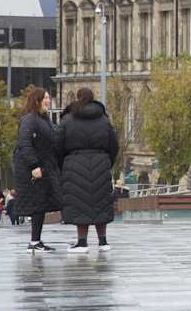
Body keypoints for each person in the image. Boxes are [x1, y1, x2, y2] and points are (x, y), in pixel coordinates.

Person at [57, 87, 119, 253]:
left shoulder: (68, 119)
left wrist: (63, 164)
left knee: (80, 204)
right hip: (101, 163)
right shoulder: (104, 120)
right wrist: (107, 161)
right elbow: (114, 145)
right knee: (101, 203)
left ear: (77, 98)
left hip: (74, 164)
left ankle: (82, 242)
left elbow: (58, 145)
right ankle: (103, 241)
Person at [12, 87, 62, 252]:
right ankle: (34, 242)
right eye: (45, 98)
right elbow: (24, 143)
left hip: (44, 167)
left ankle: (36, 241)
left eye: (48, 97)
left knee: (40, 205)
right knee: (37, 205)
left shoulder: (44, 119)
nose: (48, 100)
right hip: (33, 169)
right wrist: (33, 165)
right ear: (37, 101)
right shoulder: (30, 120)